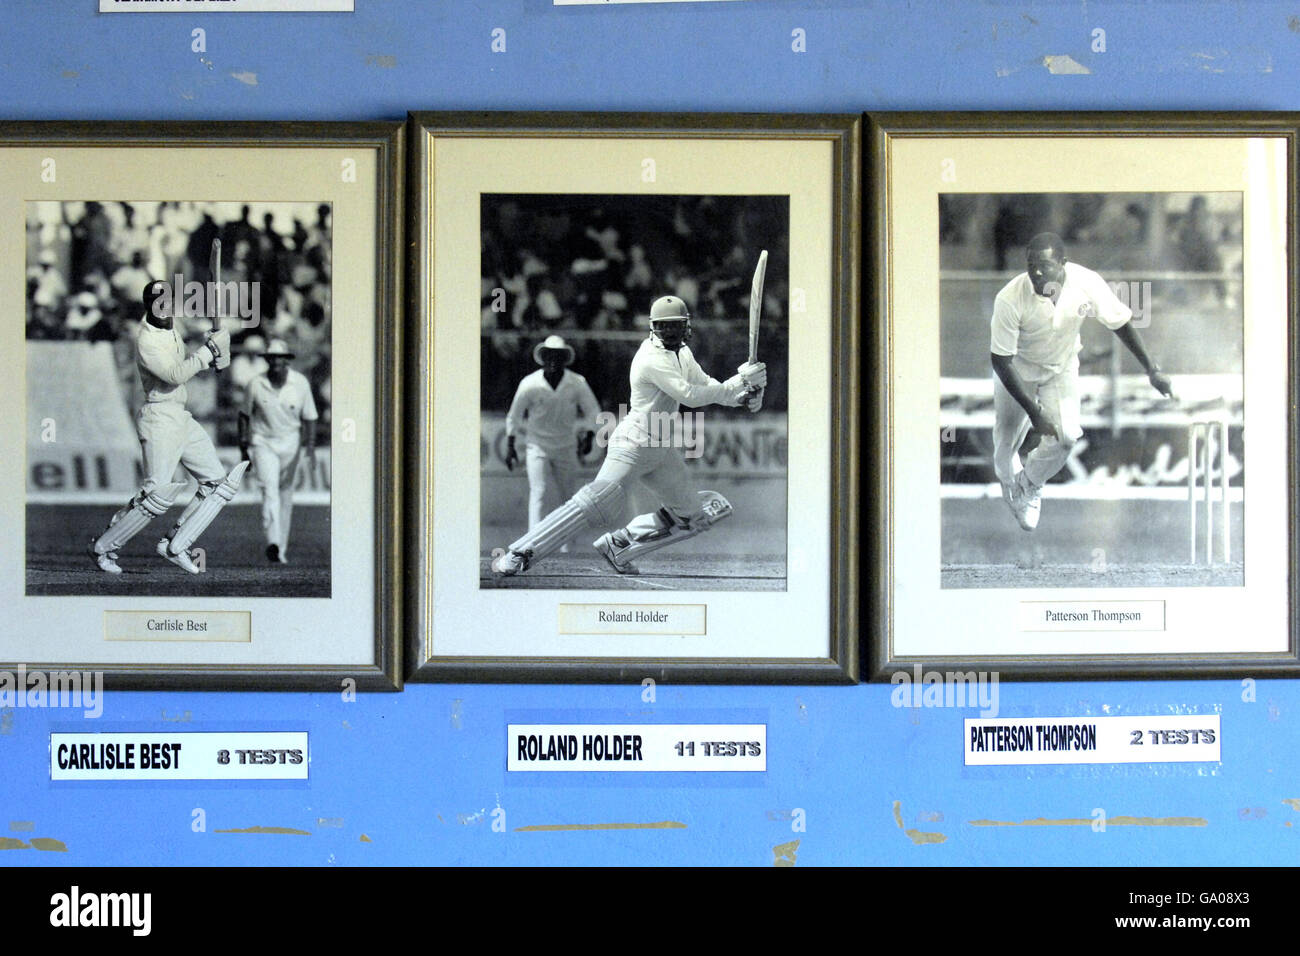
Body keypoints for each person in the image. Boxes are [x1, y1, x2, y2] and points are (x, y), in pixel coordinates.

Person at [491, 295, 765, 577]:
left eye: (675, 326)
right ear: (652, 327)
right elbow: (690, 396)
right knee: (597, 502)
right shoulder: (650, 358)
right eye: (663, 326)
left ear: (686, 327)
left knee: (692, 516)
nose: (669, 332)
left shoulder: (683, 353)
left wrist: (741, 397)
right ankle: (521, 551)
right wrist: (737, 383)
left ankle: (619, 544)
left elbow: (706, 384)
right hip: (633, 444)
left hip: (660, 447)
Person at [992, 233, 1173, 531]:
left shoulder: (1086, 282)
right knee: (1004, 454)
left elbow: (1120, 322)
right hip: (1016, 371)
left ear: (1063, 264)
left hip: (1060, 368)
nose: (1037, 272)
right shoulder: (1009, 298)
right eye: (1031, 265)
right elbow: (1001, 361)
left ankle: (1028, 484)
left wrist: (1151, 369)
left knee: (1065, 438)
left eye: (1045, 265)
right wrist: (1035, 412)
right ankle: (1011, 480)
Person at [91, 278, 245, 574]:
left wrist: (217, 351)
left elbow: (198, 361)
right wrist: (208, 352)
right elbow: (174, 375)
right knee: (156, 494)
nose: (163, 308)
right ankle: (103, 548)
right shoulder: (146, 339)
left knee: (217, 483)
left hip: (180, 416)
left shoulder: (173, 329)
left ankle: (176, 543)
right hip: (159, 417)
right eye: (156, 303)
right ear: (148, 305)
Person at [504, 335, 602, 545]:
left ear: (565, 359)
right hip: (537, 446)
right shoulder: (530, 383)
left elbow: (593, 410)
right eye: (549, 355)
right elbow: (514, 415)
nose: (553, 360)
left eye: (558, 356)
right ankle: (532, 545)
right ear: (543, 357)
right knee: (539, 491)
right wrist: (511, 446)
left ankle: (569, 546)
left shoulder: (577, 383)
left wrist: (590, 437)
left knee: (569, 497)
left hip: (566, 446)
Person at [239, 340, 319, 563]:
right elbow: (244, 415)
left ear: (287, 361)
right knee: (270, 489)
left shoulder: (300, 383)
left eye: (279, 359)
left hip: (291, 443)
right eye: (271, 358)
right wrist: (243, 447)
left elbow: (310, 416)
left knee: (286, 495)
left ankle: (280, 550)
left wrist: (310, 446)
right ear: (267, 361)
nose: (275, 363)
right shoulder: (256, 384)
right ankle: (273, 541)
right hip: (263, 441)